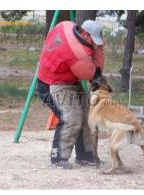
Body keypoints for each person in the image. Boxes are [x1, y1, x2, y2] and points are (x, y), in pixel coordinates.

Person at [37, 19, 105, 169]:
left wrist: (96, 46)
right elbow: (94, 73)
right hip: (51, 85)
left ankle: (86, 156)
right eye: (93, 40)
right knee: (71, 118)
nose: (95, 43)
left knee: (89, 117)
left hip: (68, 80)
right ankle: (58, 158)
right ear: (85, 33)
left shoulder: (65, 25)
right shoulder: (78, 52)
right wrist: (99, 50)